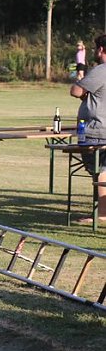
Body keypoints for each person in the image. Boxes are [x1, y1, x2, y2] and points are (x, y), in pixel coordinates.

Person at [70, 33, 106, 223]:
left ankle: (101, 214)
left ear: (101, 49)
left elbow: (75, 91)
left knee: (100, 170)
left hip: (98, 130)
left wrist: (80, 72)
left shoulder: (101, 70)